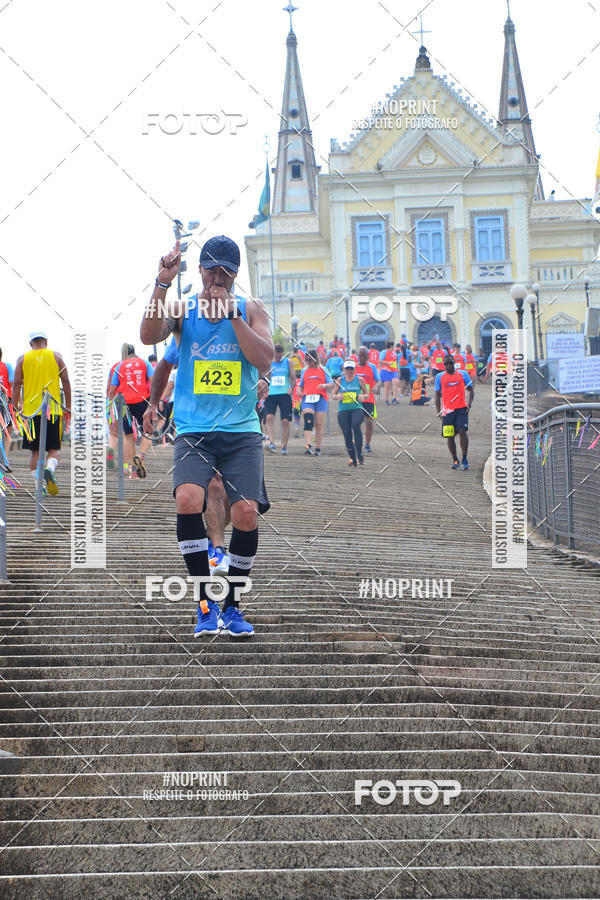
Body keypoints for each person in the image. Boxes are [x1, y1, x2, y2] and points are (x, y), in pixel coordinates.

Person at [140, 234, 274, 638]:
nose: (217, 278)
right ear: (199, 270)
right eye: (211, 270)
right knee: (187, 499)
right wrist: (161, 283)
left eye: (226, 273)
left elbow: (265, 357)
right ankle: (203, 605)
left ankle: (231, 606)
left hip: (240, 431)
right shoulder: (183, 310)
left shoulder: (251, 310)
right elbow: (148, 337)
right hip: (195, 430)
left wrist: (234, 315)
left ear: (235, 276)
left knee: (245, 513)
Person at [12, 330, 71, 495]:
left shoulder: (23, 359)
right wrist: (69, 406)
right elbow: (65, 380)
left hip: (31, 413)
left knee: (35, 451)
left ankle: (39, 486)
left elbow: (16, 384)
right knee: (54, 449)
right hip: (52, 410)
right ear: (46, 341)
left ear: (31, 344)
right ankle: (50, 468)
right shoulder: (56, 356)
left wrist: (15, 407)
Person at [108, 344, 153, 479]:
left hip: (123, 402)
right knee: (147, 432)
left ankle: (133, 471)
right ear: (135, 352)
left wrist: (111, 408)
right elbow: (153, 380)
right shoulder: (144, 363)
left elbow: (111, 390)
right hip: (142, 400)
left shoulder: (119, 366)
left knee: (128, 436)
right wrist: (155, 402)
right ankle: (141, 455)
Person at [435, 355, 474, 471]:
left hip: (461, 409)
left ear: (454, 363)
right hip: (447, 411)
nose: (448, 366)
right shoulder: (439, 377)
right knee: (450, 436)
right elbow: (437, 395)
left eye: (450, 363)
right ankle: (455, 459)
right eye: (446, 364)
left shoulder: (463, 374)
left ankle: (465, 458)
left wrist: (469, 404)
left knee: (462, 431)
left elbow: (471, 391)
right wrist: (439, 412)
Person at [332, 359, 369, 467]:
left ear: (354, 369)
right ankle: (353, 458)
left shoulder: (360, 380)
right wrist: (337, 396)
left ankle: (359, 453)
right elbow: (333, 395)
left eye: (351, 369)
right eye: (347, 369)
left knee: (356, 425)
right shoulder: (340, 380)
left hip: (356, 408)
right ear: (344, 369)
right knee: (347, 434)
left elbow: (367, 394)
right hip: (343, 410)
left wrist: (363, 396)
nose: (349, 371)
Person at [263, 344, 296, 455]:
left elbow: (293, 377)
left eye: (279, 357)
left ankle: (284, 446)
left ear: (282, 354)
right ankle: (271, 443)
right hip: (271, 394)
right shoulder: (269, 362)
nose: (277, 359)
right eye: (276, 357)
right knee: (269, 418)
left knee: (285, 421)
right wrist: (265, 390)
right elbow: (266, 377)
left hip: (284, 394)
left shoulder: (288, 362)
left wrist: (291, 388)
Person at [299, 351, 332, 455]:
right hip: (307, 398)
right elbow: (301, 385)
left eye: (310, 360)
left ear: (315, 359)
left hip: (320, 398)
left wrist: (324, 386)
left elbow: (331, 383)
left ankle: (318, 448)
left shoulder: (323, 369)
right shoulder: (304, 371)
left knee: (318, 423)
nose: (308, 362)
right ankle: (308, 446)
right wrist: (299, 391)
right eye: (307, 360)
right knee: (308, 419)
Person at [106, 343, 129, 470]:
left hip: (112, 402)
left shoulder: (115, 367)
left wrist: (108, 406)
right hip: (125, 403)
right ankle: (125, 466)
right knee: (126, 435)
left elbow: (109, 388)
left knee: (113, 434)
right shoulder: (130, 367)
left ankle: (110, 450)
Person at [355, 346, 380, 453]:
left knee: (369, 422)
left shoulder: (372, 367)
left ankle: (367, 444)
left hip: (369, 399)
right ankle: (357, 442)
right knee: (355, 423)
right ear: (358, 356)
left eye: (364, 356)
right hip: (356, 400)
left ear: (368, 356)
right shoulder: (354, 367)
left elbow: (379, 380)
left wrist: (376, 386)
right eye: (360, 356)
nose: (362, 358)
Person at [0, 348, 15, 470]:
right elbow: (12, 383)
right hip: (4, 401)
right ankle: (4, 459)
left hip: (4, 402)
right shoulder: (7, 366)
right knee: (7, 431)